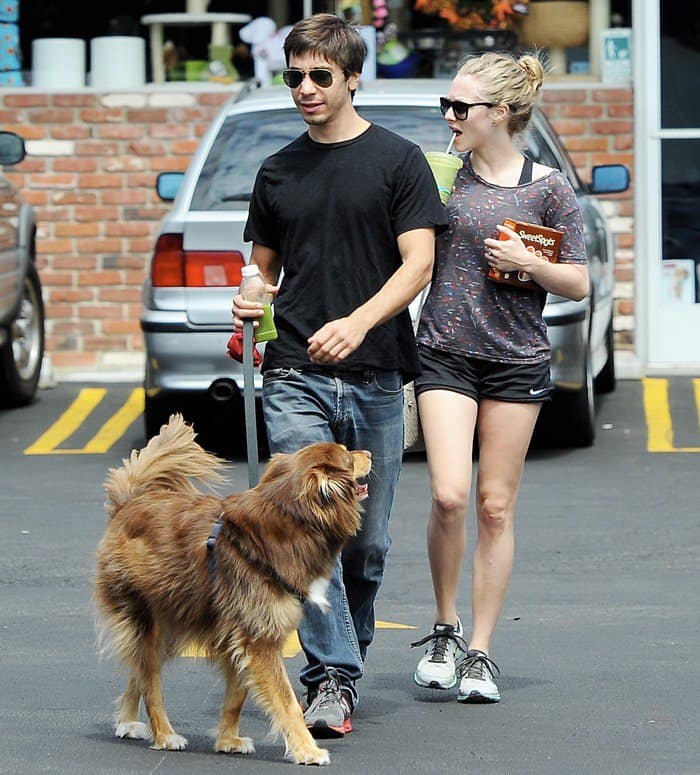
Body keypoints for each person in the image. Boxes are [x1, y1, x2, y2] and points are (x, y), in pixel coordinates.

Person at [232, 13, 447, 738]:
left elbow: (418, 262)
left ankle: (340, 666)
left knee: (368, 541)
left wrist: (359, 321)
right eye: (294, 75)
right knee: (304, 527)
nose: (305, 88)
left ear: (354, 78)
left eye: (320, 75)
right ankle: (330, 677)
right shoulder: (278, 169)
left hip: (378, 372)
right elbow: (261, 271)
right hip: (293, 368)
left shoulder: (397, 160)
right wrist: (247, 304)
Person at [411, 51, 589, 704]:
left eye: (461, 108)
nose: (449, 117)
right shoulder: (440, 178)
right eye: (447, 106)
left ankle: (481, 649)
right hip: (445, 353)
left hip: (516, 359)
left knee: (494, 504)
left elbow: (577, 278)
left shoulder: (546, 188)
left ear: (501, 114)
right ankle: (443, 626)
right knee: (451, 493)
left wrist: (527, 259)